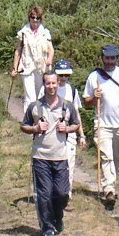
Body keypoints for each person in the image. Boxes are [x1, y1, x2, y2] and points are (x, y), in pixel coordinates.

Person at [21, 70, 80, 236]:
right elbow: (23, 126)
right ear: (44, 85)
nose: (51, 86)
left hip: (61, 156)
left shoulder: (67, 106)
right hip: (40, 157)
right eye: (48, 83)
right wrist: (35, 128)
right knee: (44, 194)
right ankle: (47, 227)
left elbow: (76, 123)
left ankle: (58, 217)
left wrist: (67, 129)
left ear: (58, 84)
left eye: (54, 83)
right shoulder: (35, 106)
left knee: (62, 193)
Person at [83, 43, 119, 209]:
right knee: (106, 156)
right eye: (107, 58)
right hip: (102, 124)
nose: (110, 61)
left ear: (117, 58)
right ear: (102, 58)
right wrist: (94, 97)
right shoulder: (94, 76)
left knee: (115, 158)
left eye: (112, 58)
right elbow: (86, 102)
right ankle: (109, 190)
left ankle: (110, 184)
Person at [39, 59, 86, 207]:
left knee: (69, 163)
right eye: (61, 75)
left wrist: (81, 134)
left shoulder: (72, 90)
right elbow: (38, 109)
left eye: (67, 75)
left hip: (69, 132)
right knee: (51, 163)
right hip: (50, 133)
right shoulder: (46, 88)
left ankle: (66, 196)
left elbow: (76, 114)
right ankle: (52, 193)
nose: (64, 78)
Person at [11, 6, 53, 112]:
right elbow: (18, 50)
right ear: (29, 18)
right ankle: (28, 121)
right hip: (26, 67)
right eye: (33, 17)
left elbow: (51, 50)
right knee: (30, 96)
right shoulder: (23, 32)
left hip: (41, 68)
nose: (35, 20)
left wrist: (49, 60)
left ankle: (39, 120)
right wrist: (15, 68)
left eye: (37, 18)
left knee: (40, 95)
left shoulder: (45, 32)